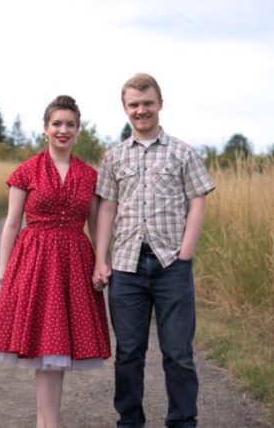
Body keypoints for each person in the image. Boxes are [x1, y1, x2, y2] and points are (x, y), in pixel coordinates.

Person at [92, 73, 215, 427]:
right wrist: (102, 259)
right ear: (125, 108)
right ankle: (129, 422)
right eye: (134, 104)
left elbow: (197, 202)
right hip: (127, 268)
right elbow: (107, 208)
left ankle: (182, 422)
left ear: (160, 103)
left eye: (147, 103)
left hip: (170, 265)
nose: (141, 110)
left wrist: (186, 254)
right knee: (128, 353)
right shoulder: (114, 157)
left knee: (178, 354)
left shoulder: (182, 152)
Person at [0, 95, 111, 428]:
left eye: (70, 124)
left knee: (57, 352)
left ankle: (48, 423)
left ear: (78, 130)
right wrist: (2, 276)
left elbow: (98, 225)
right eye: (57, 123)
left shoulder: (89, 175)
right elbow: (11, 225)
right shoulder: (26, 171)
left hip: (74, 264)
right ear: (45, 129)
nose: (63, 130)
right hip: (35, 264)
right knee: (45, 352)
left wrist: (101, 262)